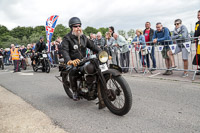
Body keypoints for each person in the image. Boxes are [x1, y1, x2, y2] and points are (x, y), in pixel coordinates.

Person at [61, 17, 101, 101]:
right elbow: (65, 50)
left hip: (83, 60)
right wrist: (69, 60)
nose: (78, 28)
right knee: (73, 70)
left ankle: (93, 86)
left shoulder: (84, 38)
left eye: (79, 26)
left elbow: (93, 46)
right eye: (75, 26)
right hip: (73, 61)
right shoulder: (67, 38)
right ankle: (75, 92)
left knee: (95, 67)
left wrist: (102, 53)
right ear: (71, 28)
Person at [192, 10, 200, 75]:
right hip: (198, 41)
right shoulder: (197, 23)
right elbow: (196, 32)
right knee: (198, 55)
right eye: (198, 15)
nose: (198, 16)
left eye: (199, 15)